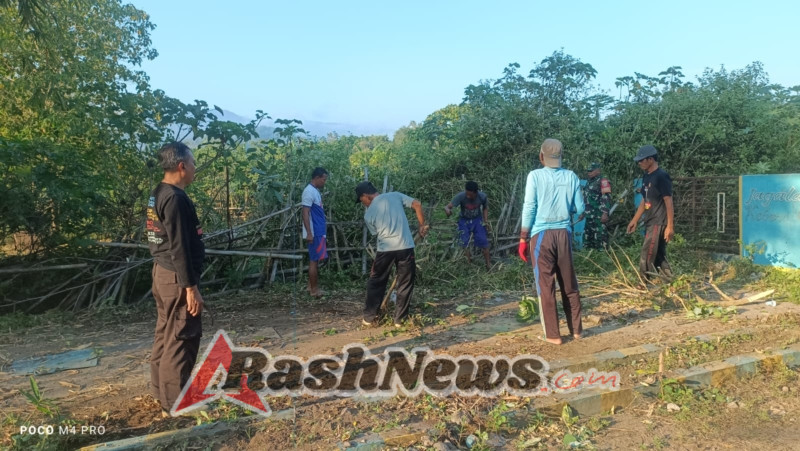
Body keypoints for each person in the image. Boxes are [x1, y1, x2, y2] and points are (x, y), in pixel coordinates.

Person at [145, 142, 205, 416]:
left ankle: (162, 392)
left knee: (166, 333)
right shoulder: (176, 198)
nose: (194, 170)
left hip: (162, 272)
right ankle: (176, 402)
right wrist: (190, 287)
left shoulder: (158, 193)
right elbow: (180, 246)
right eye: (193, 165)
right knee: (182, 336)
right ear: (181, 166)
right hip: (176, 277)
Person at [518, 139, 585, 345]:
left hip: (541, 236)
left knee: (545, 286)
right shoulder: (571, 176)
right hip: (563, 234)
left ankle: (554, 336)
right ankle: (576, 331)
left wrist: (523, 238)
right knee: (569, 283)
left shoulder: (535, 176)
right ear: (561, 156)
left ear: (541, 156)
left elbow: (529, 207)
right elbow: (580, 209)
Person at [356, 181, 430, 327]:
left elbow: (376, 233)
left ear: (365, 195)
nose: (363, 203)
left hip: (385, 250)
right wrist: (422, 225)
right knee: (405, 282)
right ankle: (400, 320)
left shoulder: (369, 214)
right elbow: (417, 204)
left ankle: (369, 318)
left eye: (361, 200)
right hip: (405, 247)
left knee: (376, 281)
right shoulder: (395, 196)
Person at [627, 145, 674, 281]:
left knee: (647, 252)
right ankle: (670, 280)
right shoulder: (646, 177)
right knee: (658, 254)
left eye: (642, 160)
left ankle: (643, 282)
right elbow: (644, 201)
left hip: (658, 221)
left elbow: (668, 201)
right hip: (650, 220)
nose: (639, 163)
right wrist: (635, 220)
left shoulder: (661, 176)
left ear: (651, 159)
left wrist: (670, 226)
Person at [445, 181, 492, 269]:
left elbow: (485, 208)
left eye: (470, 195)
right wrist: (447, 210)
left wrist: (485, 221)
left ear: (475, 193)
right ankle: (469, 265)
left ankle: (488, 265)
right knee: (464, 243)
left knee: (483, 241)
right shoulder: (461, 196)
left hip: (477, 220)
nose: (467, 196)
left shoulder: (482, 196)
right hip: (464, 220)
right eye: (467, 194)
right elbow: (448, 206)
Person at [302, 167, 329, 298]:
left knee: (316, 259)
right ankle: (314, 290)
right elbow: (305, 213)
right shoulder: (308, 192)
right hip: (315, 231)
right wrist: (309, 233)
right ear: (317, 178)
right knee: (314, 260)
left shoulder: (314, 191)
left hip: (319, 230)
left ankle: (310, 286)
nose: (324, 182)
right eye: (324, 179)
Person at [581, 162, 612, 249]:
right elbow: (586, 199)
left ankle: (603, 256)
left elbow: (606, 197)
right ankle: (590, 256)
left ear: (598, 170)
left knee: (600, 237)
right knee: (588, 236)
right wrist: (583, 213)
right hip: (589, 215)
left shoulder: (603, 181)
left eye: (591, 171)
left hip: (599, 215)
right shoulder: (588, 182)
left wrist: (605, 213)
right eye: (588, 171)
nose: (589, 173)